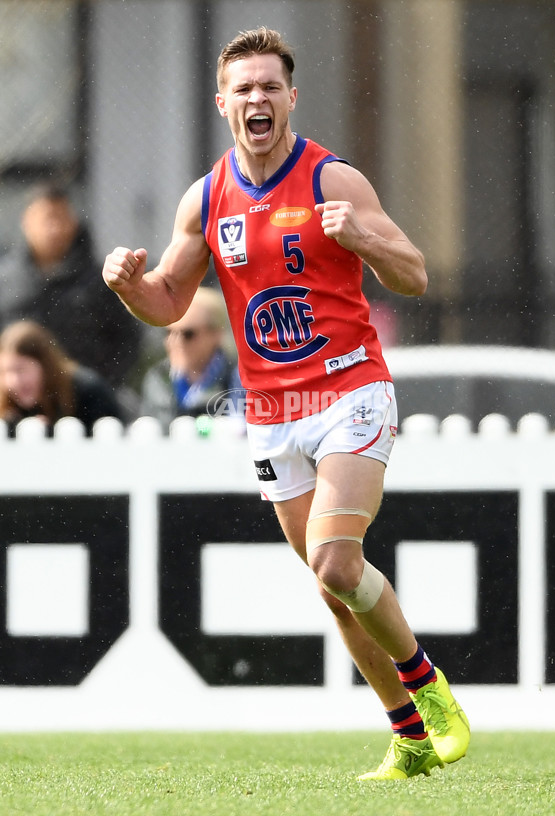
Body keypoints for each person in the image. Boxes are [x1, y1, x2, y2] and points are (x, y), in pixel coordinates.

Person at [102, 27, 470, 780]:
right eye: (244, 88)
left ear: (291, 97)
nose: (258, 98)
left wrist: (363, 235)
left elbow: (416, 276)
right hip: (272, 409)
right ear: (222, 103)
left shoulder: (334, 182)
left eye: (270, 86)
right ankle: (407, 736)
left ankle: (428, 686)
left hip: (350, 390)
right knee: (336, 594)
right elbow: (169, 300)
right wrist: (127, 285)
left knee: (337, 564)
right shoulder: (205, 198)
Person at [0, 184, 142, 391]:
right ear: (26, 222)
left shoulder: (100, 279)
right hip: (16, 394)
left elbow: (127, 338)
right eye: (47, 219)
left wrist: (103, 385)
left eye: (62, 218)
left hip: (84, 398)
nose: (55, 229)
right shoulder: (6, 280)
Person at [140, 286, 243, 431]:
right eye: (169, 332)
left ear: (216, 334)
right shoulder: (157, 378)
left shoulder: (239, 379)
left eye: (188, 334)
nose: (174, 342)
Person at [0, 320, 124, 436]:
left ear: (45, 364)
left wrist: (51, 434)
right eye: (5, 372)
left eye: (21, 370)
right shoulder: (11, 409)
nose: (13, 381)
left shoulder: (89, 393)